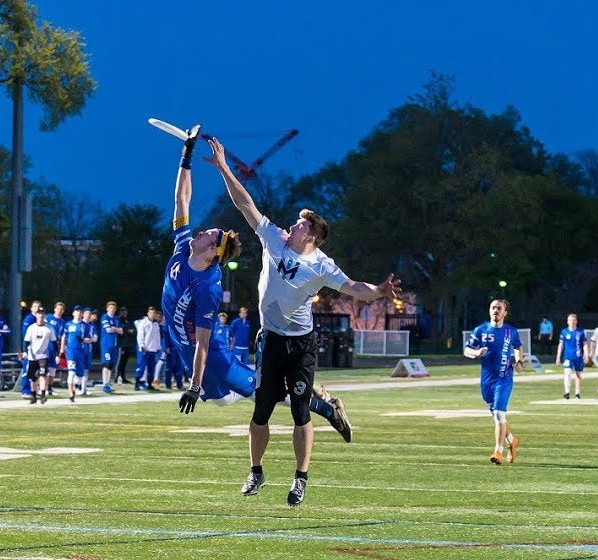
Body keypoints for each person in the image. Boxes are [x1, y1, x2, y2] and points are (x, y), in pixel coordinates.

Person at [207, 133, 401, 506]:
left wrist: (379, 291)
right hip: (271, 338)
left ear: (311, 235)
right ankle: (256, 471)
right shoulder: (275, 240)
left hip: (301, 343)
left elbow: (353, 287)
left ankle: (300, 478)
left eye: (299, 224)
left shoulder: (321, 265)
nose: (291, 225)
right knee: (261, 409)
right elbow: (245, 206)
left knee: (298, 411)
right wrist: (225, 169)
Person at [161, 125, 353, 447]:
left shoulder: (208, 286)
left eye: (209, 234)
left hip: (216, 363)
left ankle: (328, 408)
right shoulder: (183, 247)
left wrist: (194, 386)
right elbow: (181, 200)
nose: (202, 231)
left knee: (271, 395)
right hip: (190, 356)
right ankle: (309, 395)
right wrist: (187, 155)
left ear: (213, 253)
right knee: (247, 397)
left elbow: (204, 345)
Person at [464, 299, 524, 465]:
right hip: (486, 379)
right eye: (493, 307)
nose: (495, 310)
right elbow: (466, 350)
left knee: (499, 413)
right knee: (498, 416)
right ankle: (512, 441)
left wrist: (519, 362)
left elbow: (518, 347)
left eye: (499, 308)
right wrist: (476, 352)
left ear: (505, 312)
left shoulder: (510, 331)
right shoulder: (481, 330)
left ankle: (498, 451)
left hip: (504, 377)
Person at [20, 307, 57, 404]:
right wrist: (25, 352)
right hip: (33, 355)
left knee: (42, 374)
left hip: (43, 355)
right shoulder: (31, 328)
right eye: (39, 314)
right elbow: (26, 341)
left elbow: (54, 342)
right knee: (33, 377)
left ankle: (43, 394)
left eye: (42, 314)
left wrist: (57, 354)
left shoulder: (48, 328)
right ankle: (33, 395)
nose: (40, 316)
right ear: (36, 315)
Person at [61, 305, 92, 402]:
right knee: (71, 372)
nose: (78, 313)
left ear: (82, 314)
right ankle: (70, 392)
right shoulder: (68, 324)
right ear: (73, 313)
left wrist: (83, 340)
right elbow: (64, 337)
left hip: (81, 352)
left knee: (79, 375)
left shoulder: (85, 326)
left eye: (80, 311)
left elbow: (89, 339)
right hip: (71, 351)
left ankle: (75, 387)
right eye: (76, 311)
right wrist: (62, 349)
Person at [555, 313, 588, 399]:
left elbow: (584, 344)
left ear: (576, 321)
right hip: (568, 356)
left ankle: (577, 393)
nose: (572, 322)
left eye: (574, 320)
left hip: (578, 356)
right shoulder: (564, 332)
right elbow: (561, 345)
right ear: (567, 321)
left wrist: (586, 355)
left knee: (578, 374)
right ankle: (567, 392)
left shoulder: (580, 332)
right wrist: (558, 357)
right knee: (567, 373)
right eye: (570, 320)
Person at [18, 300, 43, 397]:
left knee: (36, 369)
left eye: (39, 306)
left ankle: (35, 389)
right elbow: (25, 336)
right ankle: (25, 390)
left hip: (38, 348)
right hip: (30, 348)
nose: (37, 308)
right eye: (35, 306)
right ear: (32, 308)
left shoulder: (40, 319)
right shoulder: (29, 319)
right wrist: (24, 350)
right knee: (27, 369)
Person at [134, 306, 161, 391]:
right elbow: (140, 335)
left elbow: (158, 337)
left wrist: (158, 347)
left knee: (151, 368)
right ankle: (137, 383)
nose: (152, 314)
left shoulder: (156, 324)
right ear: (148, 313)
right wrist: (141, 345)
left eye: (154, 313)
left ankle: (149, 384)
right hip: (145, 349)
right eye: (151, 313)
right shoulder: (143, 323)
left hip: (153, 349)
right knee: (141, 367)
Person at [99, 301, 123, 393]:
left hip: (114, 344)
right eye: (110, 308)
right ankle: (105, 384)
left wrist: (115, 329)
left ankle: (108, 383)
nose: (112, 309)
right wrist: (116, 329)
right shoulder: (104, 317)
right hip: (106, 344)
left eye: (113, 308)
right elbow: (108, 330)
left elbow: (121, 331)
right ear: (107, 308)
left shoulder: (116, 319)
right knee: (106, 364)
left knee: (111, 365)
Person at [115, 305, 135, 384]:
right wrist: (127, 330)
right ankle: (117, 377)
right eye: (122, 311)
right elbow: (121, 329)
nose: (124, 312)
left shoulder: (127, 320)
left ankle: (123, 377)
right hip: (121, 344)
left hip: (127, 343)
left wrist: (129, 330)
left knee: (124, 361)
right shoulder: (119, 320)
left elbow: (132, 330)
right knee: (120, 361)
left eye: (125, 311)